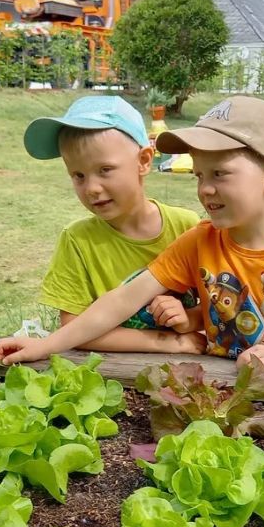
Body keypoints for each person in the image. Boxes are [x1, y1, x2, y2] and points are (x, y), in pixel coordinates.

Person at [0, 96, 264, 376]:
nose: (205, 189)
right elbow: (120, 302)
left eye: (220, 174)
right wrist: (44, 346)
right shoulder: (198, 242)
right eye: (199, 175)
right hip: (212, 386)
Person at [24, 95, 205, 354]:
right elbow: (74, 331)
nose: (92, 189)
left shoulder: (188, 227)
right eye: (78, 175)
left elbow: (218, 307)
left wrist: (187, 317)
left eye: (105, 170)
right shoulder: (77, 240)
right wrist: (166, 342)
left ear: (144, 161)